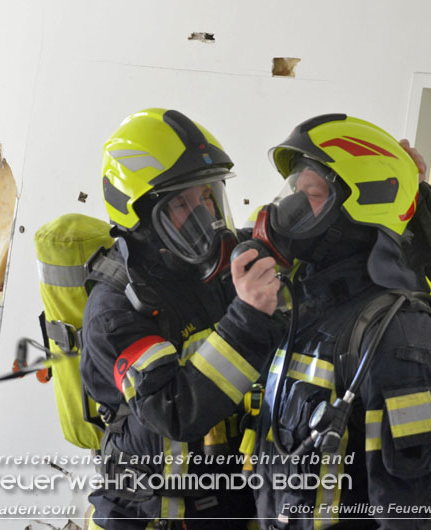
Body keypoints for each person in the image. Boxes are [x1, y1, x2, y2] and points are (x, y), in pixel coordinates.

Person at [250, 114, 431, 529]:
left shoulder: (399, 335)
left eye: (311, 194)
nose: (289, 208)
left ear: (362, 207)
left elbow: (417, 517)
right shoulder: (308, 307)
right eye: (293, 190)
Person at [80, 108, 284, 529]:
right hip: (151, 519)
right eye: (181, 202)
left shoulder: (214, 274)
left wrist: (404, 189)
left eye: (208, 195)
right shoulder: (115, 310)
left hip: (228, 510)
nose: (204, 215)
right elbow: (174, 412)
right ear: (139, 216)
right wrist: (247, 318)